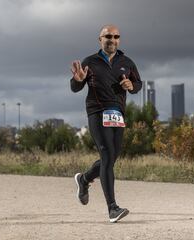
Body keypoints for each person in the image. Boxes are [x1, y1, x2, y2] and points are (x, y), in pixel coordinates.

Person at [70, 24, 142, 223]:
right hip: (96, 112)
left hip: (117, 114)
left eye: (116, 36)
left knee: (110, 157)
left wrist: (131, 85)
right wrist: (78, 80)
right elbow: (75, 87)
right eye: (108, 36)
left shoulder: (127, 62)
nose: (112, 39)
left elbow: (138, 84)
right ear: (100, 40)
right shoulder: (90, 62)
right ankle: (112, 208)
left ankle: (84, 179)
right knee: (107, 155)